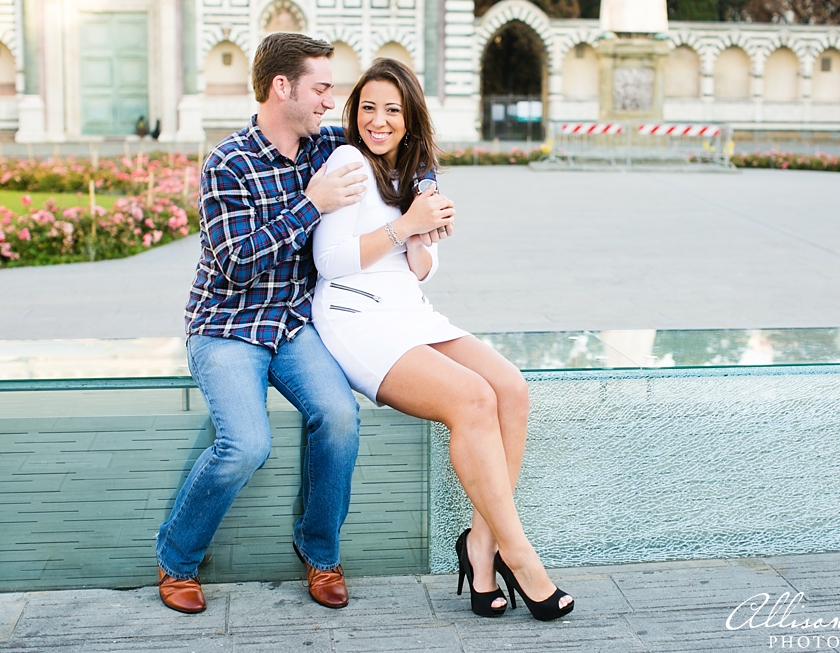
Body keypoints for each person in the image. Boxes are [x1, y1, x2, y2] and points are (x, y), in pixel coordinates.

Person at [311, 58, 574, 621]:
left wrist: (421, 231)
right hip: (355, 317)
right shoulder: (348, 161)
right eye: (368, 108)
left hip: (410, 310)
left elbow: (425, 270)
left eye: (392, 110)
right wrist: (405, 226)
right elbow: (329, 261)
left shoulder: (414, 173)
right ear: (354, 113)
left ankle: (480, 547)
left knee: (511, 389)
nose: (378, 121)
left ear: (410, 118)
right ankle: (521, 558)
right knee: (472, 399)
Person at [155, 32, 370, 614]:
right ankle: (176, 559)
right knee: (246, 444)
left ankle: (320, 552)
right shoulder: (227, 161)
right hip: (225, 325)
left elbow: (395, 142)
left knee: (340, 418)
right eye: (320, 89)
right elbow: (237, 264)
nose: (330, 101)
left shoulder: (327, 148)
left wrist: (426, 191)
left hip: (293, 324)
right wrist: (312, 204)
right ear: (282, 87)